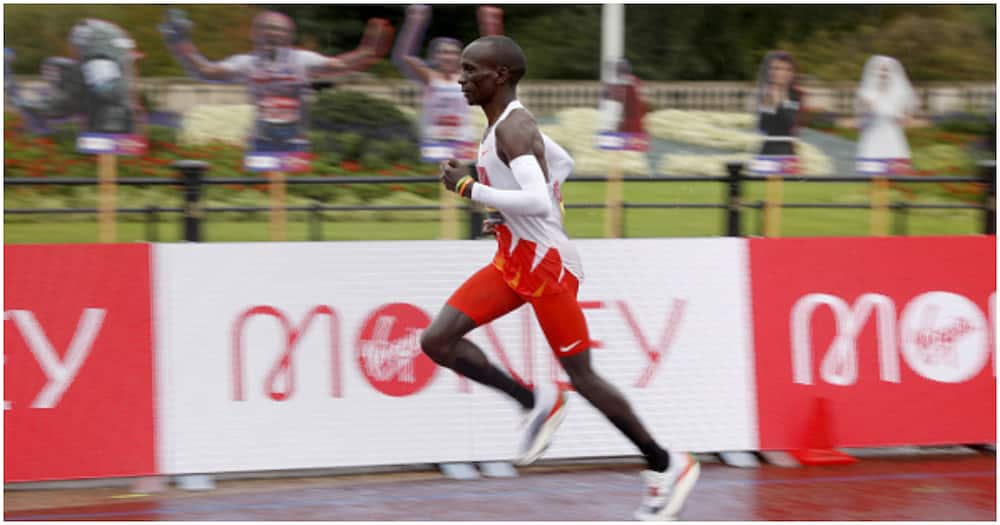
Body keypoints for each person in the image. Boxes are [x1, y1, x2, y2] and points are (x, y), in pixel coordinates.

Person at [424, 35, 700, 521]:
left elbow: (537, 200)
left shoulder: (513, 128)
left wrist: (471, 188)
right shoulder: (505, 128)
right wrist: (508, 217)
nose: (461, 79)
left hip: (546, 268)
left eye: (471, 71)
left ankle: (665, 463)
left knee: (585, 377)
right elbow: (562, 166)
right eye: (461, 70)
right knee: (438, 341)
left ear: (500, 76)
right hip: (513, 261)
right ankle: (534, 402)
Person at [160, 9, 392, 153]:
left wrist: (367, 49)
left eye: (280, 30)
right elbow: (207, 72)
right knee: (265, 194)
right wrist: (180, 44)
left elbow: (338, 65)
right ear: (255, 34)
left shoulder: (301, 59)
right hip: (261, 138)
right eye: (267, 29)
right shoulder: (246, 63)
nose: (274, 34)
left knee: (294, 196)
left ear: (289, 36)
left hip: (295, 139)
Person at [392, 4, 502, 161]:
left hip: (463, 142)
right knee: (433, 182)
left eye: (453, 53)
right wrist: (414, 21)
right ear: (435, 56)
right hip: (433, 141)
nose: (448, 57)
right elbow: (404, 57)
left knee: (463, 182)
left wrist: (490, 23)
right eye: (443, 52)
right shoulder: (430, 78)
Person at [855, 55, 917, 171]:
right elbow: (863, 116)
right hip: (873, 134)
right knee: (872, 169)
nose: (883, 74)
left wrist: (900, 116)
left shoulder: (898, 94)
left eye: (886, 70)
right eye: (880, 70)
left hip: (892, 134)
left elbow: (905, 117)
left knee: (895, 169)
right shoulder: (867, 93)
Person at [756, 50, 802, 156]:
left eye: (787, 69)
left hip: (786, 153)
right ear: (770, 72)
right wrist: (771, 101)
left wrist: (779, 101)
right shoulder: (767, 95)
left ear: (792, 73)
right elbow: (763, 126)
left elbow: (789, 124)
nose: (781, 73)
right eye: (776, 68)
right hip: (766, 151)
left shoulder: (795, 95)